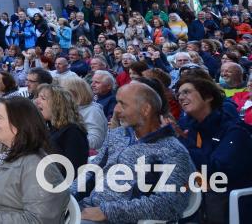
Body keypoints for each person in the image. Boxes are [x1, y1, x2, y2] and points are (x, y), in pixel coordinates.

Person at [73, 83, 196, 223]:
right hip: (87, 209)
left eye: (122, 104)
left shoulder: (173, 151)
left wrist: (107, 212)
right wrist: (66, 197)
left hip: (121, 218)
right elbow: (92, 171)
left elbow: (171, 204)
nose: (116, 110)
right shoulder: (117, 134)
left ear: (145, 109)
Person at [171, 77, 252, 222]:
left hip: (230, 202)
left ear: (208, 96)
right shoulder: (188, 128)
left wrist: (183, 144)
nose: (181, 97)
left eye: (187, 92)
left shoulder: (234, 131)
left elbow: (218, 173)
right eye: (179, 94)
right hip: (196, 195)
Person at [33, 84, 88, 174]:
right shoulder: (50, 128)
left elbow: (74, 171)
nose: (36, 101)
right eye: (37, 97)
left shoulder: (73, 132)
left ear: (57, 105)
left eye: (43, 98)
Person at [59, 75, 107, 151]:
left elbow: (96, 142)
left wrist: (66, 139)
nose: (59, 96)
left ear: (73, 93)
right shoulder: (71, 108)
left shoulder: (93, 111)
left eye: (62, 93)